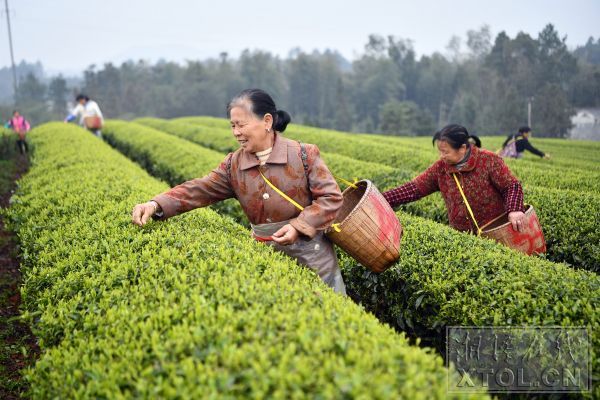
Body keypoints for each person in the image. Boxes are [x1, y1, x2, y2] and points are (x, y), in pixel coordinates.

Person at [131, 89, 346, 294]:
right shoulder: (233, 165)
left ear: (267, 121)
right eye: (232, 126)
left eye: (241, 125)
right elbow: (198, 189)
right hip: (269, 263)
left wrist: (298, 226)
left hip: (316, 261)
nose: (236, 133)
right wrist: (155, 204)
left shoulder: (303, 154)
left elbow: (331, 197)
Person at [383, 124, 528, 234]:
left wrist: (514, 210)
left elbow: (511, 186)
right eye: (440, 151)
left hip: (497, 232)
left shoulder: (488, 160)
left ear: (462, 148)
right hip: (462, 237)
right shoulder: (441, 168)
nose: (441, 156)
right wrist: (379, 199)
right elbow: (413, 189)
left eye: (445, 152)